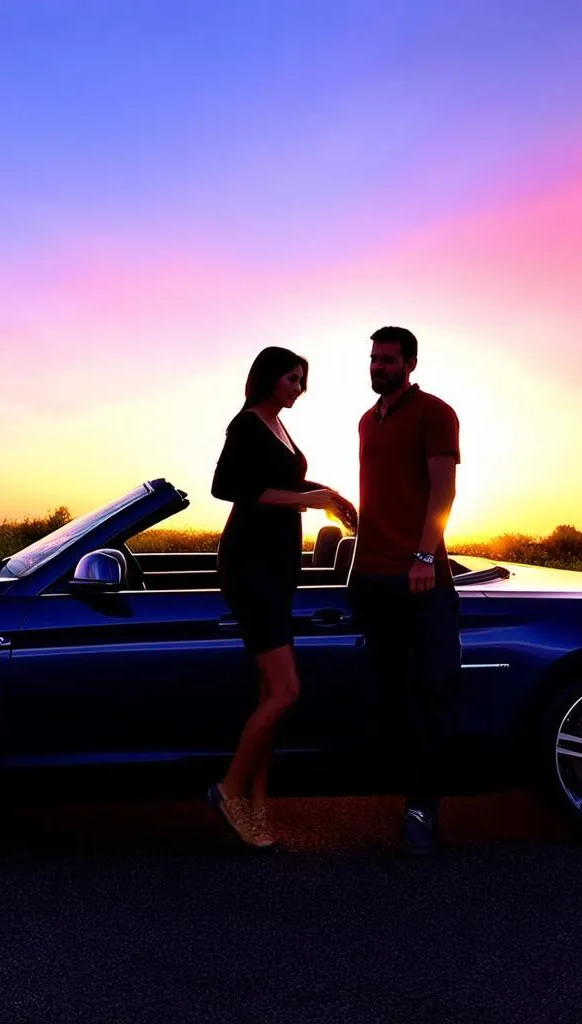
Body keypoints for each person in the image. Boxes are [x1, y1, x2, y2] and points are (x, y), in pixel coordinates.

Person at [208, 346, 357, 849]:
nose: (300, 388)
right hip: (249, 565)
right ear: (270, 378)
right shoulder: (246, 424)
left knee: (268, 694)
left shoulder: (278, 426)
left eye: (303, 380)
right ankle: (229, 793)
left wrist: (329, 497)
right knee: (287, 691)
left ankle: (258, 807)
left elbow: (285, 482)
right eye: (294, 379)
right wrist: (306, 501)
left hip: (277, 568)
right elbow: (228, 487)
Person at [347, 325, 461, 855]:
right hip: (370, 578)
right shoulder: (368, 421)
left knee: (428, 696)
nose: (378, 367)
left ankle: (423, 809)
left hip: (418, 581)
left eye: (388, 360)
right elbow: (383, 494)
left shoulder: (435, 413)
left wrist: (422, 557)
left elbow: (443, 490)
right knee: (387, 697)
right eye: (374, 359)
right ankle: (396, 790)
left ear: (410, 363)